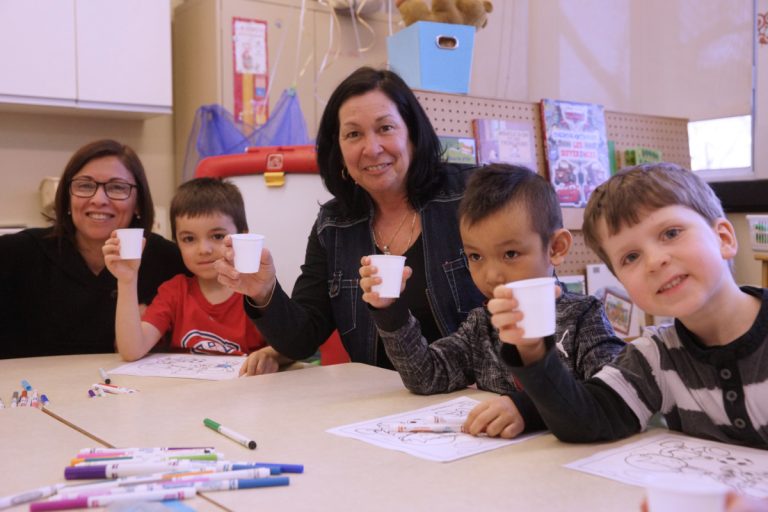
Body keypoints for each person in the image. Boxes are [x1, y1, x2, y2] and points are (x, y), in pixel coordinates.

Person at [214, 66, 485, 368]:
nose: (371, 148)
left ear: (412, 133)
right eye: (354, 134)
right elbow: (302, 339)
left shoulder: (472, 195)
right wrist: (264, 292)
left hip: (477, 403)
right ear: (338, 149)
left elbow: (532, 310)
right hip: (378, 409)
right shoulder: (334, 225)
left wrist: (516, 400)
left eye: (385, 128)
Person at [490, 163, 768, 448]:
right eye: (631, 257)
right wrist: (533, 351)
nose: (654, 261)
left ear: (723, 238)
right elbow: (586, 422)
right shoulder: (655, 355)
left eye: (671, 233)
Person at [359, 164, 625, 438]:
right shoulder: (482, 325)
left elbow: (613, 396)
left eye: (510, 253)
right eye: (475, 257)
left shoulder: (584, 316)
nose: (491, 275)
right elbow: (425, 375)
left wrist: (526, 409)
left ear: (556, 248)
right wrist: (390, 309)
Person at [0, 139, 187, 359]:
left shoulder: (169, 260)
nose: (99, 200)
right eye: (85, 185)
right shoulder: (18, 254)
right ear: (67, 197)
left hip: (132, 390)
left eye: (117, 187)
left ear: (138, 203)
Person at [104, 178, 290, 376]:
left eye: (217, 236)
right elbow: (132, 351)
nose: (204, 249)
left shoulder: (256, 294)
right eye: (189, 239)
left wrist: (271, 354)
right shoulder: (174, 292)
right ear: (177, 242)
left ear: (242, 236)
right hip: (185, 399)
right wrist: (127, 280)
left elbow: (294, 346)